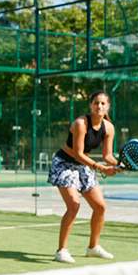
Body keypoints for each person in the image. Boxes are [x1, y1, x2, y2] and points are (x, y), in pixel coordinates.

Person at [47, 90, 120, 264]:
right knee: (74, 205)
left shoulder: (109, 128)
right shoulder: (81, 123)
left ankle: (93, 247)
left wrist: (117, 165)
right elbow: (78, 154)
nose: (99, 106)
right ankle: (61, 251)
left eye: (103, 103)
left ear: (108, 106)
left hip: (83, 165)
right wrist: (101, 168)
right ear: (90, 105)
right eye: (96, 103)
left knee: (100, 207)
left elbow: (107, 155)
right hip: (64, 163)